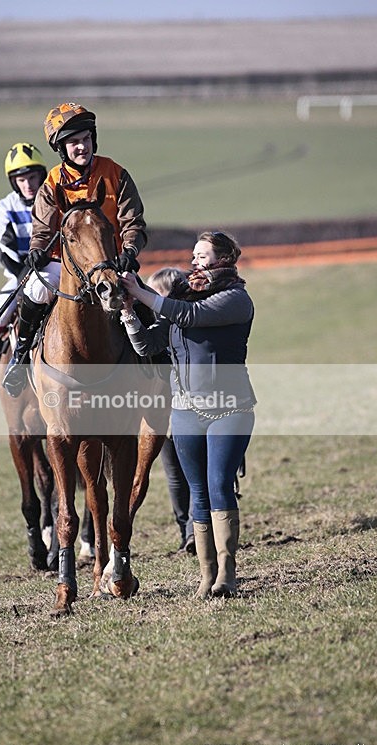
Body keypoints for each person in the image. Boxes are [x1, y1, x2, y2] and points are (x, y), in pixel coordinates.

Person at [119, 231, 256, 599]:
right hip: (185, 411)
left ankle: (227, 573)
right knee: (197, 492)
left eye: (203, 255)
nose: (194, 261)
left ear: (224, 258)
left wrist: (141, 291)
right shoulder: (181, 297)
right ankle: (205, 575)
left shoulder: (235, 299)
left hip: (231, 408)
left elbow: (190, 316)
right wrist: (130, 313)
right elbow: (149, 344)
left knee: (218, 485)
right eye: (193, 255)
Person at [2, 102, 147, 398]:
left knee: (144, 300)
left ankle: (157, 367)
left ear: (93, 138)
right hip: (65, 265)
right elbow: (42, 227)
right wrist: (37, 250)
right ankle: (19, 358)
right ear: (62, 148)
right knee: (37, 292)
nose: (81, 147)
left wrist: (129, 252)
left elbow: (133, 222)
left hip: (111, 262)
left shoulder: (116, 174)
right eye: (73, 142)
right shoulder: (51, 183)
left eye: (85, 139)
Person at [0, 142, 48, 391]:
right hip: (20, 275)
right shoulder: (2, 209)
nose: (28, 184)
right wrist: (26, 275)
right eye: (21, 179)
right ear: (13, 182)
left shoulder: (54, 200)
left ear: (42, 174)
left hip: (57, 271)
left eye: (32, 177)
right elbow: (6, 253)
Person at [147, 267, 195, 555]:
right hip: (164, 414)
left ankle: (194, 531)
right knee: (175, 476)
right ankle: (185, 532)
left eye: (155, 295)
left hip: (188, 412)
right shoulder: (156, 328)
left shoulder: (183, 325)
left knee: (191, 475)